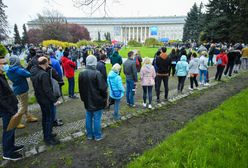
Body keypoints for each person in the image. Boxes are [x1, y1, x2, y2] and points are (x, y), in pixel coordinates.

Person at [31, 57, 60, 146]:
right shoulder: (43, 74)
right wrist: (55, 100)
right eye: (48, 62)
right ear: (45, 63)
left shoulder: (34, 70)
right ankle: (48, 139)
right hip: (46, 100)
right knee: (48, 119)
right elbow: (47, 90)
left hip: (40, 98)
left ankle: (48, 134)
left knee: (45, 118)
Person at [78, 55, 108, 141]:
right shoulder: (97, 73)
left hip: (87, 99)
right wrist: (104, 98)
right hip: (97, 100)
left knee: (89, 117)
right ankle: (97, 135)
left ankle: (89, 135)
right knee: (96, 118)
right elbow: (103, 88)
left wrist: (83, 98)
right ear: (94, 62)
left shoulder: (82, 73)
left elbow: (80, 88)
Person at [0, 57, 24, 161]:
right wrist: (11, 110)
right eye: (3, 63)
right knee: (8, 130)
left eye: (6, 63)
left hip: (11, 107)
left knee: (12, 128)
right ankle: (7, 152)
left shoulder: (2, 75)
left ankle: (11, 146)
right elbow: (1, 98)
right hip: (7, 110)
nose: (6, 65)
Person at [6, 56, 38, 129]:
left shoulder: (8, 70)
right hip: (22, 89)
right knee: (22, 107)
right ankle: (16, 122)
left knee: (24, 104)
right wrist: (23, 68)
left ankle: (28, 117)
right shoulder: (19, 70)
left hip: (16, 88)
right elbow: (28, 74)